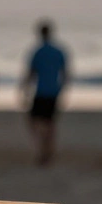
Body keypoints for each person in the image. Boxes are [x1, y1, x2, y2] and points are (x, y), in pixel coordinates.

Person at [23, 20, 69, 166]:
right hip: (53, 91)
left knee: (34, 122)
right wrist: (61, 89)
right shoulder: (59, 52)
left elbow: (31, 74)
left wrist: (24, 90)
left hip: (41, 91)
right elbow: (65, 74)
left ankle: (42, 150)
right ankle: (49, 151)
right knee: (51, 124)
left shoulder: (37, 52)